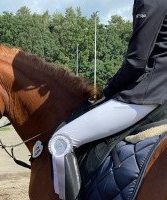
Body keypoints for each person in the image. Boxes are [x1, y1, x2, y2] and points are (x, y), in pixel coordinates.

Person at [48, 0, 167, 199]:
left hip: (147, 94)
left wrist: (108, 90)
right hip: (160, 91)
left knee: (62, 140)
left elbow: (136, 61)